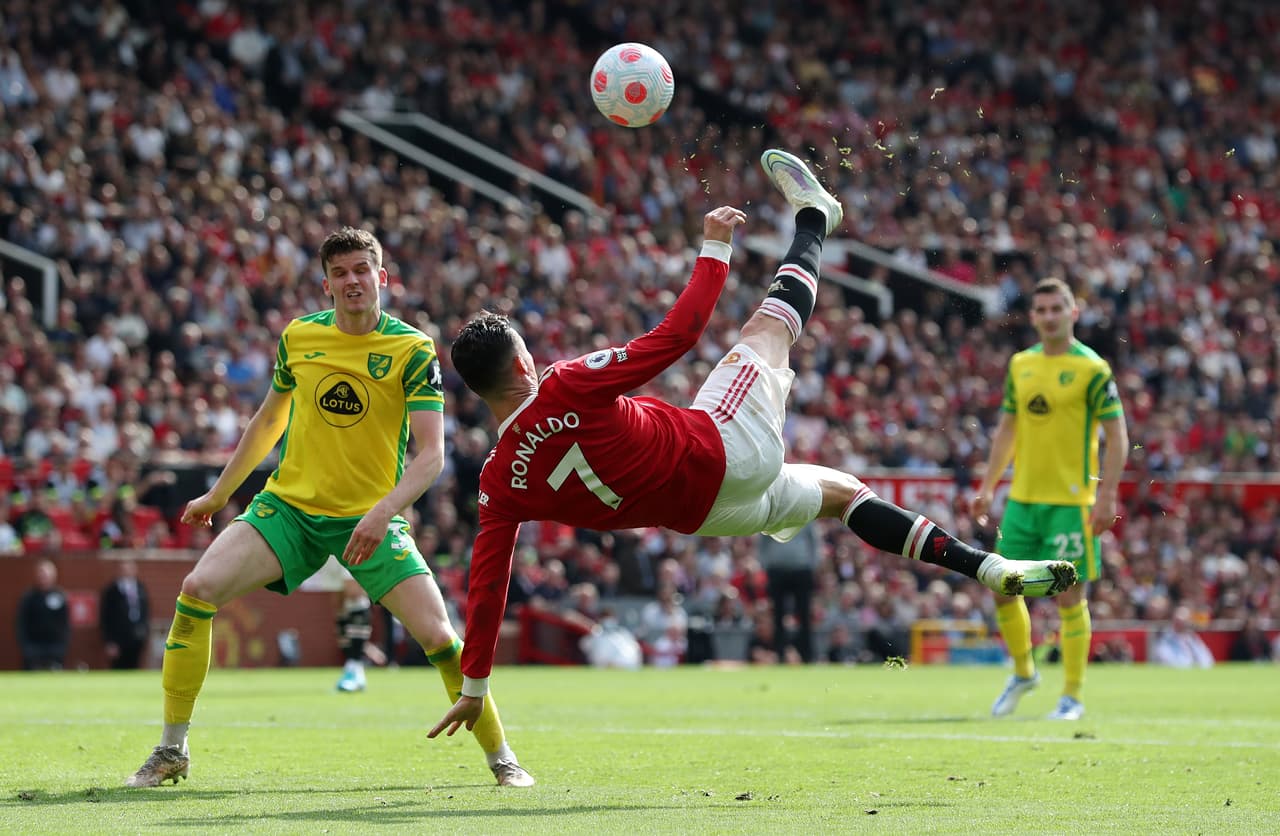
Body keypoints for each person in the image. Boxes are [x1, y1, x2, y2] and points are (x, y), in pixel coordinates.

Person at [429, 149, 1076, 739]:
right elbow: (678, 335)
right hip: (721, 447)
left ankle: (987, 567)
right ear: (522, 367)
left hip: (706, 517)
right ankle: (817, 217)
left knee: (841, 495)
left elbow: (488, 584)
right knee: (768, 329)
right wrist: (715, 248)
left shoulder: (495, 483)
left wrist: (477, 684)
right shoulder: (564, 384)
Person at [126, 227, 533, 789]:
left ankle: (502, 758)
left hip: (369, 520)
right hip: (288, 510)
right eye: (340, 273)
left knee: (441, 637)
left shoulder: (412, 350)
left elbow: (432, 456)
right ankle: (171, 750)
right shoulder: (299, 337)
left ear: (381, 277)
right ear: (326, 284)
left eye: (361, 270)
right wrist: (220, 494)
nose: (352, 281)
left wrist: (382, 512)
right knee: (197, 590)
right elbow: (269, 420)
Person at [970, 276, 1130, 721]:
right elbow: (1008, 428)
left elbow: (1118, 434)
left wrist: (1107, 494)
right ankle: (1024, 672)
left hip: (1072, 504)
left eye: (1056, 309)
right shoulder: (1021, 364)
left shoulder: (1093, 368)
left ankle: (1072, 696)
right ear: (1033, 317)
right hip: (1023, 502)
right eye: (1040, 310)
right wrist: (988, 486)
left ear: (1073, 312)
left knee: (1069, 599)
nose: (1048, 317)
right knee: (1001, 588)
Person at [757, 524, 820, 662]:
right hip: (777, 570)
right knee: (778, 616)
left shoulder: (806, 514)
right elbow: (762, 543)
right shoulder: (773, 513)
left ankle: (807, 655)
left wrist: (812, 566)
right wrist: (765, 566)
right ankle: (780, 654)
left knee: (804, 615)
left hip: (802, 570)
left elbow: (814, 542)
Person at [16, 558, 70, 670]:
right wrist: (26, 647)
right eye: (41, 574)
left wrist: (61, 647)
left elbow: (65, 624)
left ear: (54, 576)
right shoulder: (28, 597)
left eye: (46, 574)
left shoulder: (60, 596)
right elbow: (21, 624)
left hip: (55, 649)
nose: (43, 577)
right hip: (33, 648)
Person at [100, 558, 151, 669]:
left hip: (137, 637)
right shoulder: (111, 590)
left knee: (134, 667)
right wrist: (109, 641)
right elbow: (105, 617)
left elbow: (145, 611)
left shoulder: (140, 588)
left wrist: (144, 630)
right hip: (118, 638)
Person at [1150, 606, 1215, 669]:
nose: (1181, 624)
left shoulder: (1192, 638)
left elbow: (1207, 659)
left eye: (1184, 621)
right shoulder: (1166, 638)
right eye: (1178, 621)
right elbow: (1165, 659)